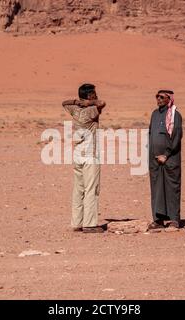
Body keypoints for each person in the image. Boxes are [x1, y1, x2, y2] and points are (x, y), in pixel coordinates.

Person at [62, 83, 106, 233]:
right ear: (89, 96)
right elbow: (102, 103)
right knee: (91, 190)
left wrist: (78, 102)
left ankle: (77, 222)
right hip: (90, 156)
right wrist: (90, 102)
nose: (97, 96)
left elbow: (64, 103)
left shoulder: (74, 109)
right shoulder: (91, 110)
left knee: (78, 189)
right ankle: (89, 224)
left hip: (77, 155)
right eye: (94, 94)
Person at [148, 89, 183, 230]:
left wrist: (166, 154)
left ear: (169, 99)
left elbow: (176, 136)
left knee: (172, 188)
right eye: (157, 96)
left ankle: (174, 219)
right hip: (154, 159)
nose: (159, 99)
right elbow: (151, 133)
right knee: (156, 189)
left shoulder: (175, 116)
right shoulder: (154, 114)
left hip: (170, 159)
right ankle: (158, 219)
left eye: (162, 97)